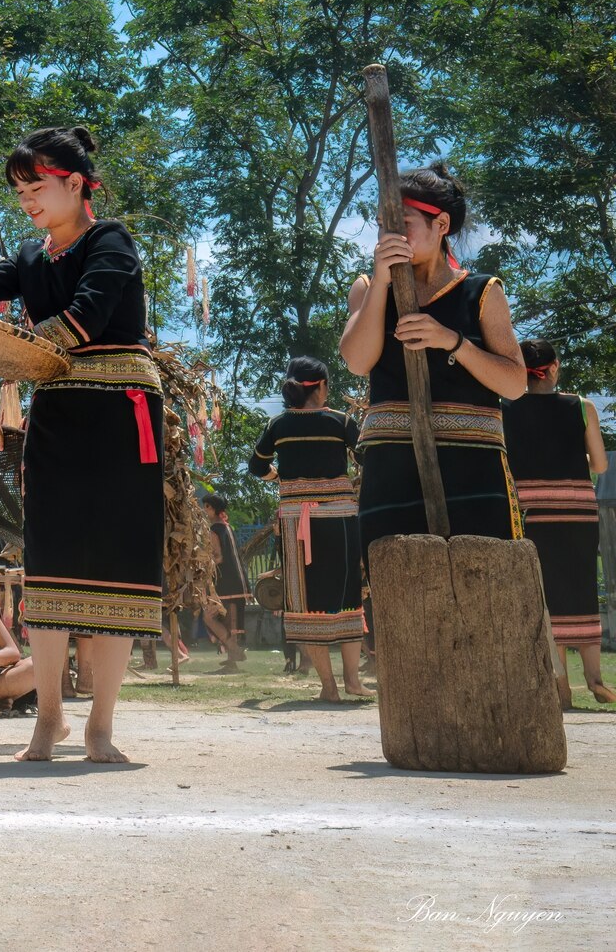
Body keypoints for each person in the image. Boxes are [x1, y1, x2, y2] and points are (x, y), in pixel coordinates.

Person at [0, 127, 165, 764]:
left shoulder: (111, 241)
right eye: (19, 191)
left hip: (123, 420)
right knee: (48, 563)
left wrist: (11, 352)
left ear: (76, 183)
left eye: (35, 187)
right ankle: (48, 720)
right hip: (58, 417)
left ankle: (101, 724)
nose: (26, 200)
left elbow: (88, 317)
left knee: (118, 566)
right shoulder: (30, 255)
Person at [340, 163, 525, 552]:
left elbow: (515, 382)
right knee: (397, 585)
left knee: (483, 584)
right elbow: (357, 361)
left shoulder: (483, 292)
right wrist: (382, 283)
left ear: (440, 224)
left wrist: (453, 342)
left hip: (473, 468)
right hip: (392, 467)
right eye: (382, 226)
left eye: (402, 223)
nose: (389, 236)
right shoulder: (369, 288)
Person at [249, 357, 368, 701]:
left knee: (305, 603)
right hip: (341, 521)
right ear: (321, 387)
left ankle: (328, 687)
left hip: (295, 525)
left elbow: (257, 465)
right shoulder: (341, 421)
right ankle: (353, 682)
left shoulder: (278, 425)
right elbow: (365, 457)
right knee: (348, 597)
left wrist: (280, 477)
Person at [505, 340, 612, 703]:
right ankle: (595, 677)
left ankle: (560, 685)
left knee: (543, 592)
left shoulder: (505, 409)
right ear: (553, 368)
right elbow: (599, 465)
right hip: (577, 509)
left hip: (529, 511)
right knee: (581, 584)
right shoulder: (581, 406)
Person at [201, 495, 248, 671]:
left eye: (207, 507)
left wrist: (203, 564)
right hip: (236, 580)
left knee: (210, 617)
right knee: (231, 623)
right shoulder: (226, 527)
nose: (205, 511)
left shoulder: (214, 529)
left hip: (226, 581)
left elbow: (218, 557)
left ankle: (235, 652)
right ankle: (232, 661)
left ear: (214, 509)